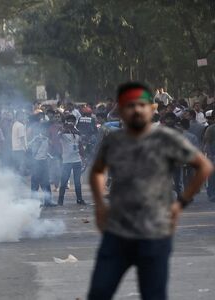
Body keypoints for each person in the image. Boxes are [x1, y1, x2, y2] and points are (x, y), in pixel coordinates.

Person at [87, 82, 213, 300]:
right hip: (118, 231)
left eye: (141, 105)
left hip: (154, 232)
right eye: (129, 105)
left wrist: (180, 203)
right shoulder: (114, 140)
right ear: (121, 110)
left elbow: (203, 166)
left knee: (153, 295)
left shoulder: (166, 138)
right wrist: (99, 205)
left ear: (151, 109)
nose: (136, 110)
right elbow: (97, 171)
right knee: (99, 291)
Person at [57, 115, 86, 206]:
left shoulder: (77, 132)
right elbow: (57, 137)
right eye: (69, 121)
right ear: (66, 121)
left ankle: (79, 199)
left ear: (75, 122)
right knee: (64, 180)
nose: (71, 123)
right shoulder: (62, 131)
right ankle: (60, 200)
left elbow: (80, 145)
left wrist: (83, 158)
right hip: (66, 160)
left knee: (77, 181)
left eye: (73, 121)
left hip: (77, 160)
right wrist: (65, 128)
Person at [28, 123, 53, 206]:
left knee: (46, 182)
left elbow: (44, 151)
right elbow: (28, 146)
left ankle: (48, 201)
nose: (47, 131)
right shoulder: (37, 138)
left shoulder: (47, 139)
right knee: (35, 183)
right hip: (36, 162)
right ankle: (33, 202)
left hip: (44, 162)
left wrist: (49, 156)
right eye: (46, 129)